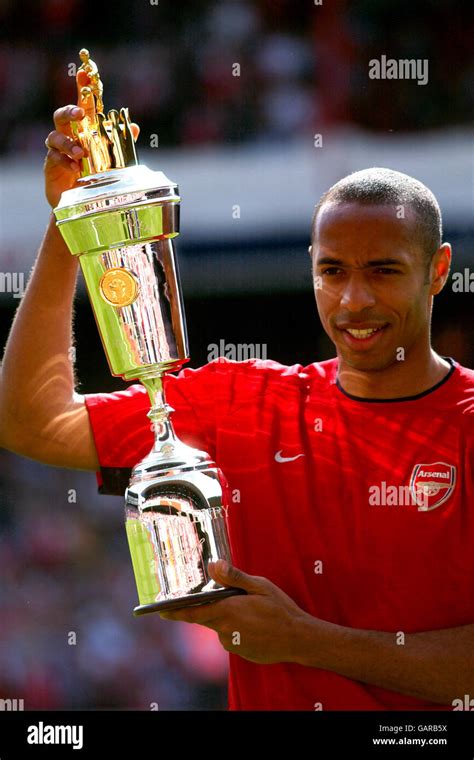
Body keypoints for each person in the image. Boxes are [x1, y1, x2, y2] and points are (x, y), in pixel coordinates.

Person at [1, 105, 473, 711]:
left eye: (383, 271)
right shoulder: (240, 401)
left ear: (437, 271)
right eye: (332, 271)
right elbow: (31, 422)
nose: (354, 300)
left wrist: (305, 642)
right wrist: (70, 225)